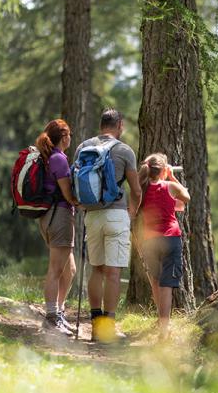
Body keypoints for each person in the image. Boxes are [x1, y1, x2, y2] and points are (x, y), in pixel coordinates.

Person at [74, 108, 141, 342]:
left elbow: (76, 181)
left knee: (96, 270)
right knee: (113, 273)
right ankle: (108, 329)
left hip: (91, 215)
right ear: (119, 125)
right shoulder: (124, 150)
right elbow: (136, 189)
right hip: (116, 215)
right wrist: (131, 212)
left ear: (102, 124)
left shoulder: (84, 147)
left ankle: (95, 326)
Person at [136, 153, 190, 340]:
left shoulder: (141, 189)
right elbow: (187, 197)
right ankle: (164, 331)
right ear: (163, 170)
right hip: (170, 239)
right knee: (166, 285)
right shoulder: (171, 186)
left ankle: (160, 322)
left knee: (155, 282)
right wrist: (172, 176)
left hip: (149, 240)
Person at [35, 119, 79, 336]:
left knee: (69, 270)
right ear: (64, 137)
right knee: (55, 270)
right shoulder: (59, 159)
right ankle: (51, 319)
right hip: (59, 216)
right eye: (69, 134)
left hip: (50, 217)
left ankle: (58, 312)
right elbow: (68, 195)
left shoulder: (48, 158)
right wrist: (82, 200)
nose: (71, 138)